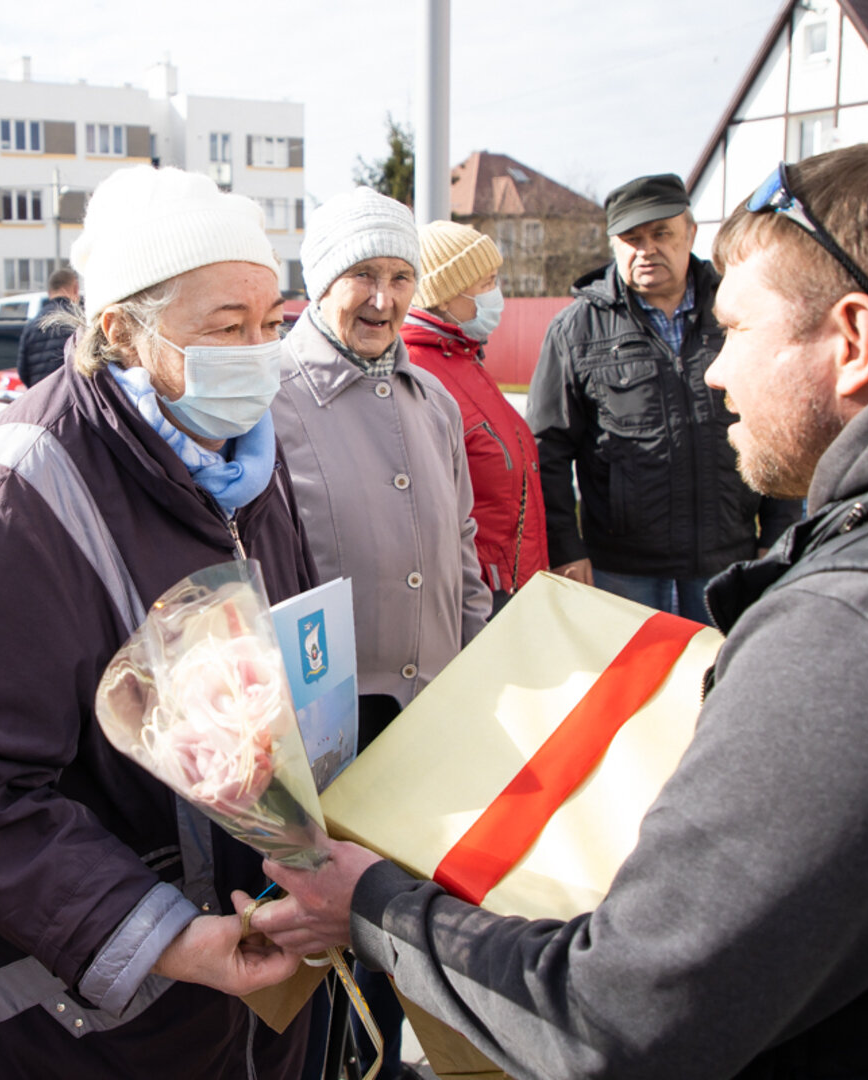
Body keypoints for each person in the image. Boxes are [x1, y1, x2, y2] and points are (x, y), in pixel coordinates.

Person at [252, 139, 868, 1077]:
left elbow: (623, 1013)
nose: (716, 372)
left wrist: (376, 908)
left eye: (734, 330)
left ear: (853, 341)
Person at [0, 165, 314, 1078]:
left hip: (217, 994)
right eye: (226, 328)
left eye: (271, 324)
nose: (261, 353)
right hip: (50, 1019)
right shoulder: (12, 498)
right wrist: (166, 938)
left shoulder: (243, 455)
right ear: (122, 332)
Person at [269, 187, 491, 1077]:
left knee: (400, 922)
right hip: (329, 728)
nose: (383, 298)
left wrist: (476, 672)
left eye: (400, 277)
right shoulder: (273, 397)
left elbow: (464, 545)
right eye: (362, 275)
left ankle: (382, 1061)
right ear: (320, 281)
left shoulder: (431, 397)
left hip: (428, 706)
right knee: (318, 939)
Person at [527, 173, 800, 623]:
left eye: (661, 234)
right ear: (613, 244)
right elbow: (548, 448)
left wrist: (779, 531)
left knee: (718, 686)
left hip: (728, 561)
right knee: (628, 689)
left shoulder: (738, 309)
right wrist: (565, 548)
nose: (646, 249)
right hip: (620, 571)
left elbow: (779, 418)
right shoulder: (576, 329)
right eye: (632, 238)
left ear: (690, 233)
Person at [402, 221, 549, 613]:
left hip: (509, 581)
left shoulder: (463, 355)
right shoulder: (421, 369)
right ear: (448, 293)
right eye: (487, 281)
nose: (496, 293)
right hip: (479, 593)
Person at [16, 266, 82, 387]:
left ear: (49, 292)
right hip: (71, 397)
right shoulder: (79, 322)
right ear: (75, 288)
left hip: (40, 397)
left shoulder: (32, 325)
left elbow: (22, 370)